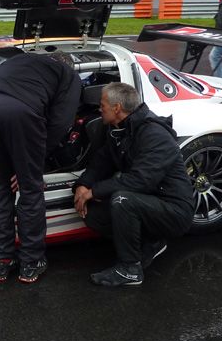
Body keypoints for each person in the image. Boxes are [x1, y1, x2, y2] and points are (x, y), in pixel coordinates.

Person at [0, 52, 81, 283]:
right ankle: (31, 262)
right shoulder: (68, 74)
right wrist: (33, 160)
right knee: (30, 190)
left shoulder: (21, 60)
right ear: (68, 65)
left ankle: (1, 261)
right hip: (19, 109)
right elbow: (62, 123)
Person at [74, 83, 194, 287]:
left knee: (122, 200)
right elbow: (101, 163)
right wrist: (82, 186)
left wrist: (95, 191)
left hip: (174, 210)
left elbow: (141, 180)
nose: (99, 109)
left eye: (102, 104)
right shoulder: (118, 129)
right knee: (92, 212)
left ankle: (130, 270)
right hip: (149, 201)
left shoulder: (155, 135)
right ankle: (151, 243)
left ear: (117, 108)